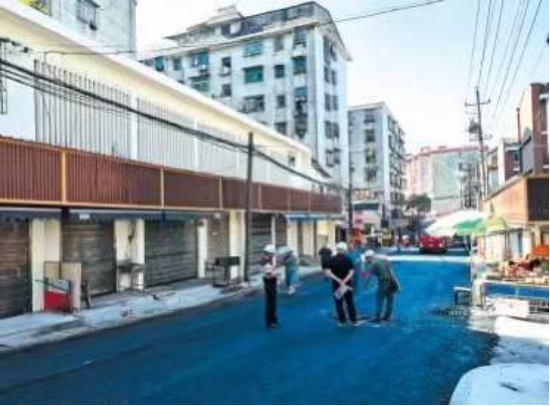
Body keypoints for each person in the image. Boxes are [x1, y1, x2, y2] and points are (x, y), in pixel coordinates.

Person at [326, 242, 362, 327]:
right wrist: (344, 281)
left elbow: (328, 272)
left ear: (337, 249)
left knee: (339, 303)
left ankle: (341, 321)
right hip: (347, 285)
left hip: (337, 285)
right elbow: (351, 272)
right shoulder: (348, 260)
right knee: (350, 302)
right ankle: (354, 321)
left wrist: (338, 280)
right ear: (344, 250)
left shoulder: (331, 260)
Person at [364, 250, 400, 322]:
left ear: (370, 257)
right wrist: (397, 283)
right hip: (391, 281)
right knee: (390, 300)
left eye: (366, 258)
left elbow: (369, 276)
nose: (366, 260)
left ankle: (377, 316)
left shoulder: (373, 264)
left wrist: (366, 284)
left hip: (383, 282)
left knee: (380, 300)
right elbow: (391, 272)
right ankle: (387, 317)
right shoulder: (384, 260)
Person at [261, 244, 280, 329]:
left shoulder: (265, 260)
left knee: (270, 302)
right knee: (271, 303)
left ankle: (271, 320)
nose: (273, 254)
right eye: (272, 253)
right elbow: (268, 275)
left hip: (268, 282)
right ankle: (271, 321)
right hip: (270, 282)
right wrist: (277, 274)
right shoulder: (267, 262)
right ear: (269, 253)